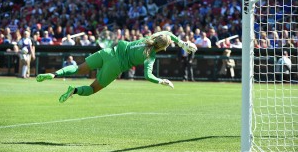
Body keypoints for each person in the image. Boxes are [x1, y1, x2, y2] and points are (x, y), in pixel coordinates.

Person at [36, 31, 197, 103]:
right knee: (92, 89)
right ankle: (74, 90)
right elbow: (148, 76)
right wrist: (161, 81)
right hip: (115, 66)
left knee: (78, 68)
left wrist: (182, 43)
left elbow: (167, 32)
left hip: (108, 52)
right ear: (162, 47)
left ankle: (55, 74)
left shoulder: (148, 38)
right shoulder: (151, 55)